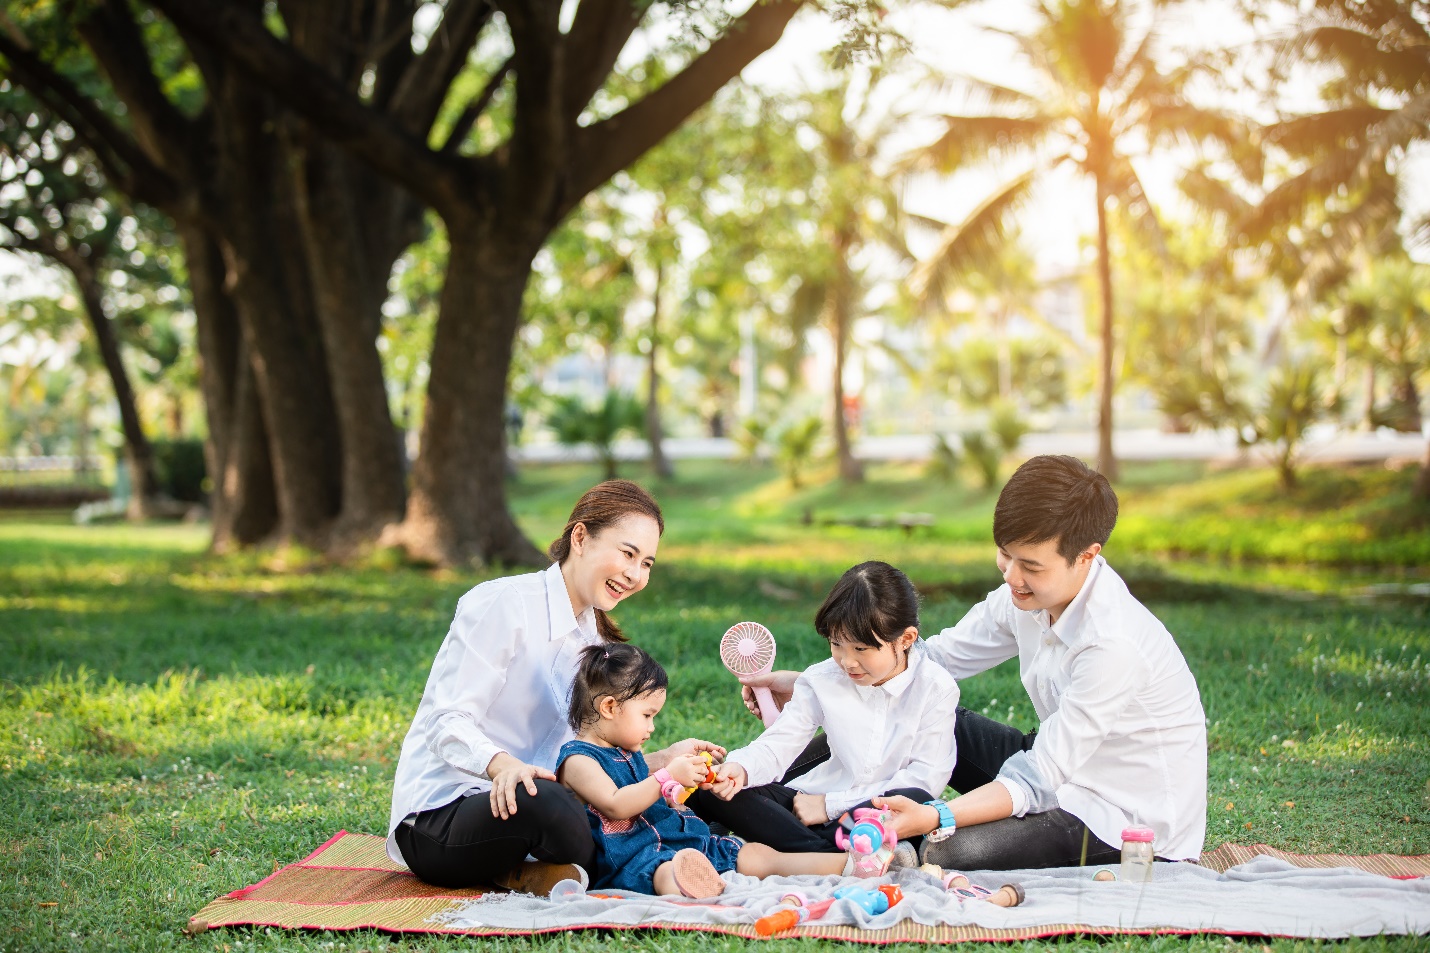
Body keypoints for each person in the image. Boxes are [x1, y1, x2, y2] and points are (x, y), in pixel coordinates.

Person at [738, 456, 1208, 871]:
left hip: (1119, 814)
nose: (1011, 576)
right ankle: (762, 789)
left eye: (1031, 565)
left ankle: (822, 841)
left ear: (1086, 556)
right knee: (929, 711)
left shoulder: (1112, 644)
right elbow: (925, 664)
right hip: (1051, 764)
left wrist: (936, 815)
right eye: (1005, 554)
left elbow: (1041, 776)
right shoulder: (1021, 597)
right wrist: (819, 685)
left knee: (948, 851)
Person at [386, 480, 725, 894]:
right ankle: (526, 872)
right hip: (447, 813)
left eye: (648, 563)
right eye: (627, 554)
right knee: (554, 808)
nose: (635, 575)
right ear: (580, 537)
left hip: (541, 800)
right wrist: (503, 765)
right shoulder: (503, 603)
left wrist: (663, 763)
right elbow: (444, 720)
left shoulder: (597, 645)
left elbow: (587, 762)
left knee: (684, 795)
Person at [690, 562, 960, 861]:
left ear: (905, 639)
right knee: (712, 792)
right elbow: (779, 743)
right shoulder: (821, 679)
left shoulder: (936, 688)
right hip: (810, 804)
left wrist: (829, 805)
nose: (847, 662)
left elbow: (925, 779)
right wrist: (740, 770)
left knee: (916, 797)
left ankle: (810, 850)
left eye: (861, 649)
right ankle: (838, 856)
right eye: (836, 644)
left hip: (874, 809)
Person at [558, 643, 850, 897]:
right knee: (666, 874)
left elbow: (647, 797)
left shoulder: (626, 750)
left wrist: (675, 793)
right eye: (647, 715)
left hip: (680, 838)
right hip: (636, 856)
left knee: (755, 854)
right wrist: (667, 775)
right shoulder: (578, 761)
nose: (652, 727)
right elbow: (616, 805)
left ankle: (846, 864)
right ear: (609, 707)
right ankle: (691, 887)